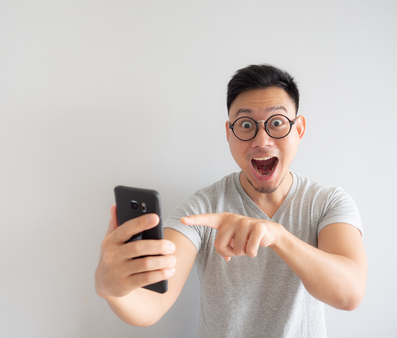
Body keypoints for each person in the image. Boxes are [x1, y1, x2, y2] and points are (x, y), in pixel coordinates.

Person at [95, 64, 367, 337]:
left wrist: (278, 236)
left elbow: (350, 294)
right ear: (229, 132)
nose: (262, 140)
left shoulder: (329, 202)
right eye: (246, 125)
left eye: (277, 123)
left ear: (299, 129)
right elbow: (152, 305)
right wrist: (113, 290)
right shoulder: (202, 208)